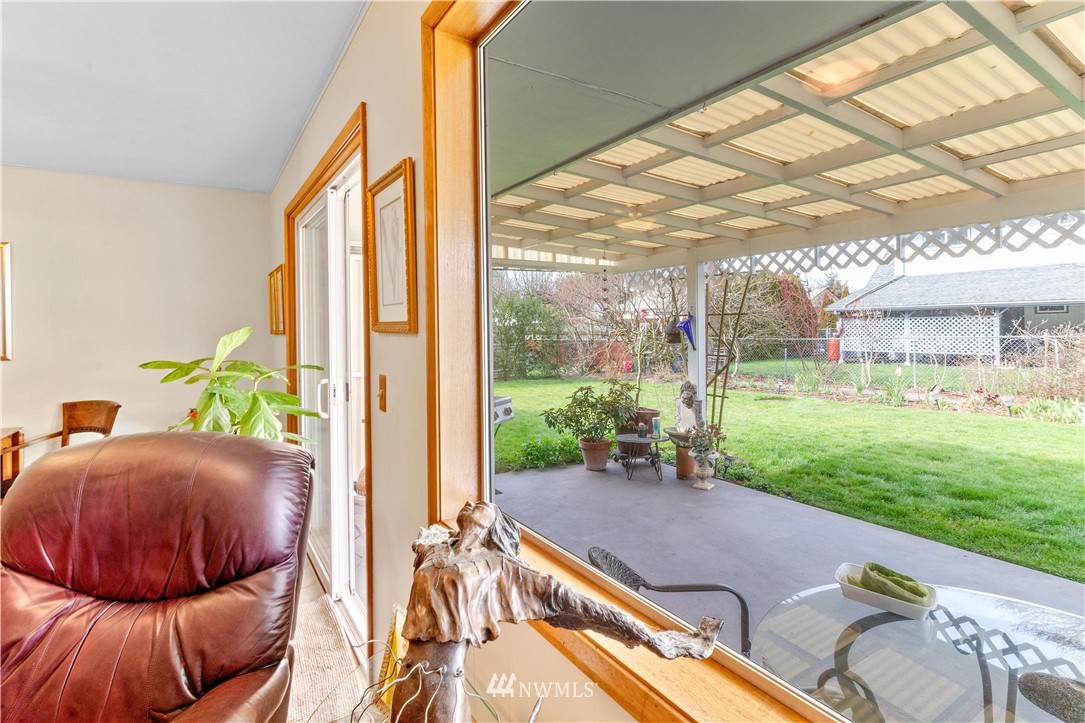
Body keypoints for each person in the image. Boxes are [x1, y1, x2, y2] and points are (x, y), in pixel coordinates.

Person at [390, 501, 723, 721]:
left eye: (482, 506)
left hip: (443, 686)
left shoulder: (499, 568)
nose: (470, 504)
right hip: (406, 673)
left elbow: (584, 606)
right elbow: (422, 542)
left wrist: (657, 641)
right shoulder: (434, 548)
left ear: (493, 526)